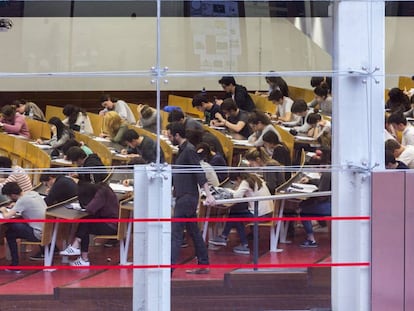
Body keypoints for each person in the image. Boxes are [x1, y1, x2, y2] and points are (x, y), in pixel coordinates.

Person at [167, 122, 215, 274]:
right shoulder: (183, 150)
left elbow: (199, 173)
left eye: (170, 135)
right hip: (184, 196)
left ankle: (169, 269)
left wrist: (208, 194)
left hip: (187, 197)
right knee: (194, 232)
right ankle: (203, 263)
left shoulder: (189, 150)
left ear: (177, 135)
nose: (168, 138)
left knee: (176, 233)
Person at [209, 172, 273, 255]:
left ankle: (241, 244)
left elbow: (236, 196)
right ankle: (224, 237)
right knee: (236, 212)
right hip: (268, 213)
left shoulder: (245, 182)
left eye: (235, 182)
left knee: (236, 214)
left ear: (238, 179)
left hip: (260, 215)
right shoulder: (256, 178)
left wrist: (234, 189)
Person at [59, 182, 119, 267]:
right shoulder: (105, 189)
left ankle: (80, 252)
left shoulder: (101, 192)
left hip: (111, 225)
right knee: (86, 222)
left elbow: (90, 208)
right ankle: (79, 251)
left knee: (85, 222)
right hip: (113, 223)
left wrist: (83, 206)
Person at [0, 182, 46, 271]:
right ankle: (14, 264)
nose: (9, 198)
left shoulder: (22, 201)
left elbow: (6, 217)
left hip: (37, 234)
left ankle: (15, 264)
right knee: (10, 233)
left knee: (11, 226)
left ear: (12, 195)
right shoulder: (33, 193)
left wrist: (3, 210)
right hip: (46, 231)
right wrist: (16, 205)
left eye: (9, 196)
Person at [297, 149, 331, 248]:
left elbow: (321, 196)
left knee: (304, 211)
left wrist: (311, 194)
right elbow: (322, 183)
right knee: (304, 204)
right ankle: (321, 224)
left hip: (329, 205)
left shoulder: (326, 174)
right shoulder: (329, 171)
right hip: (333, 203)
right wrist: (310, 181)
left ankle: (311, 239)